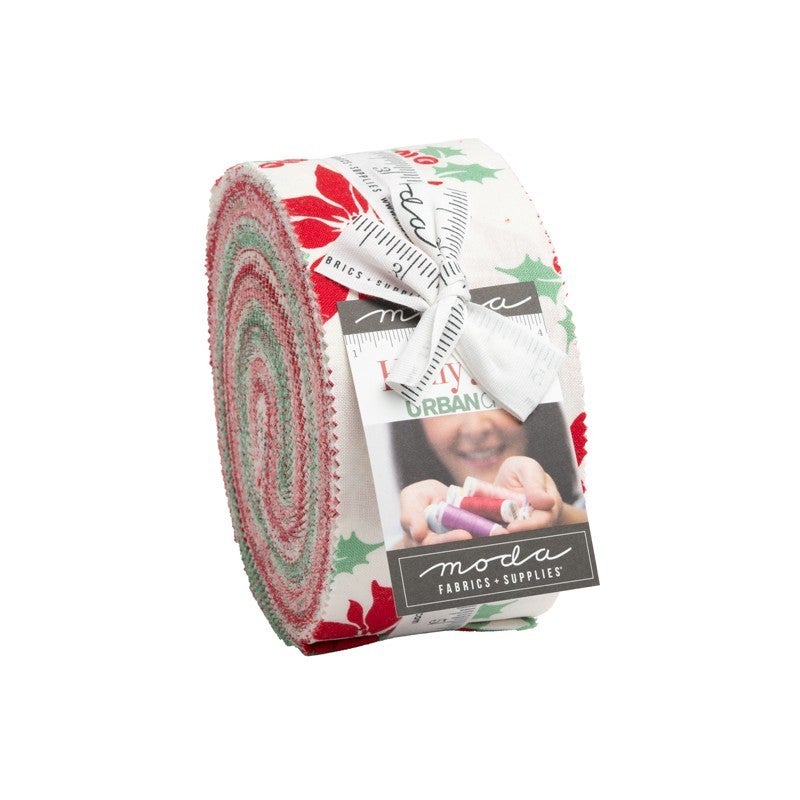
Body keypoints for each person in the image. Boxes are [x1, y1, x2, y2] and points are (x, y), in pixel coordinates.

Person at [391, 404, 587, 548]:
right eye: (443, 406)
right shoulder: (388, 548)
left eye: (493, 399)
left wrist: (561, 518)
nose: (476, 430)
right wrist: (410, 551)